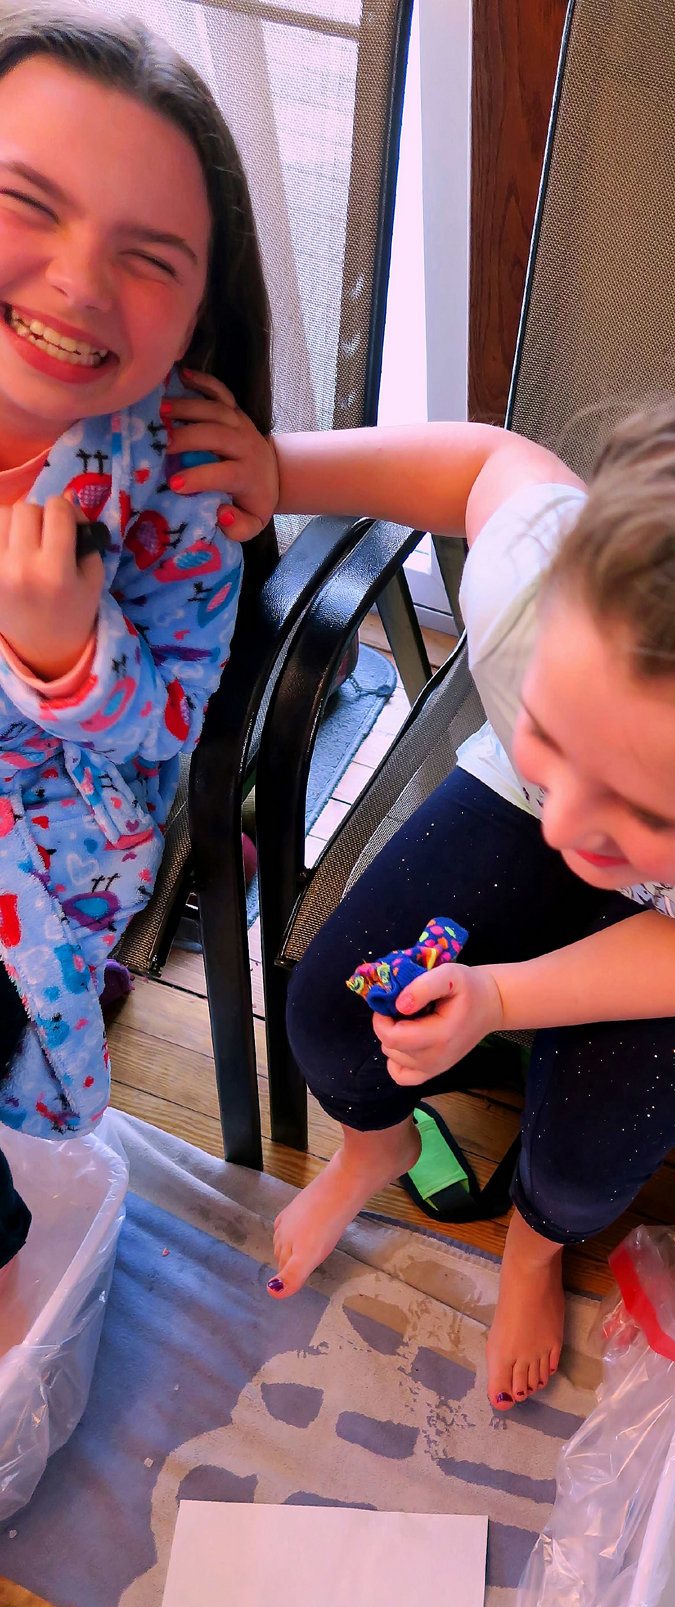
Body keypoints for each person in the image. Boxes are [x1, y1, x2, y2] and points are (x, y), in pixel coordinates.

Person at [167, 383, 675, 1409]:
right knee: (330, 1014)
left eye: (647, 808)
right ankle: (378, 1150)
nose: (565, 830)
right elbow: (483, 467)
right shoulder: (530, 584)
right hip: (569, 811)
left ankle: (533, 1253)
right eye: (548, 724)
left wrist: (501, 999)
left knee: (585, 1167)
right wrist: (281, 470)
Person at [0, 1, 269, 1221]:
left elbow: (166, 724)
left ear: (200, 313)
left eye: (148, 256)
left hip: (41, 861)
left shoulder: (182, 483)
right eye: (27, 202)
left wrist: (63, 652)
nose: (76, 278)